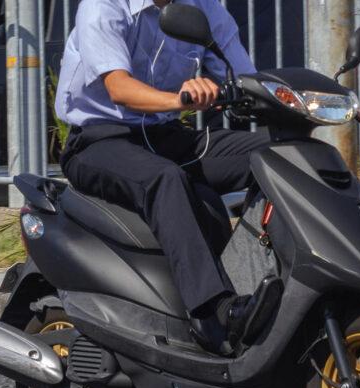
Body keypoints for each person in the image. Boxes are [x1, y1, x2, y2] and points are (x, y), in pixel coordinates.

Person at [56, 0, 282, 354]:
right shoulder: (103, 6)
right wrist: (182, 98)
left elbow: (246, 78)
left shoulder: (203, 8)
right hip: (98, 140)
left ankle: (271, 281)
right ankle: (213, 312)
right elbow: (120, 88)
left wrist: (305, 101)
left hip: (163, 134)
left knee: (277, 154)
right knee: (166, 179)